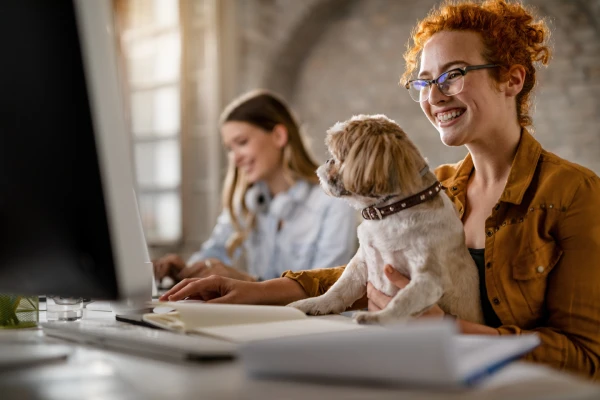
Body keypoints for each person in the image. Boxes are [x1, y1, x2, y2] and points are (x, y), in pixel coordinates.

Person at [160, 0, 600, 379]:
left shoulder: (572, 193)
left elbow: (586, 358)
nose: (435, 96)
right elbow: (362, 268)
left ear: (513, 80)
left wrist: (444, 326)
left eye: (455, 74)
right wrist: (253, 293)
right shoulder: (441, 187)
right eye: (425, 82)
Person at [153, 90, 357, 283]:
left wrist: (248, 284)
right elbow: (213, 254)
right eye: (229, 149)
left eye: (241, 142)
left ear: (278, 136)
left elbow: (326, 288)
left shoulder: (334, 203)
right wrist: (184, 270)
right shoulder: (249, 201)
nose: (235, 158)